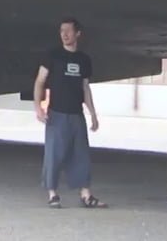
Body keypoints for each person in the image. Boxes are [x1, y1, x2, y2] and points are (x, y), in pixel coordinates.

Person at [32, 17, 105, 208]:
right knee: (54, 154)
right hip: (56, 114)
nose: (64, 34)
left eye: (68, 31)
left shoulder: (84, 60)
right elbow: (40, 81)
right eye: (61, 31)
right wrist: (38, 107)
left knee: (81, 155)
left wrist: (93, 113)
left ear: (77, 34)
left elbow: (85, 87)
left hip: (76, 114)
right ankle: (52, 194)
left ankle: (86, 195)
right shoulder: (53, 55)